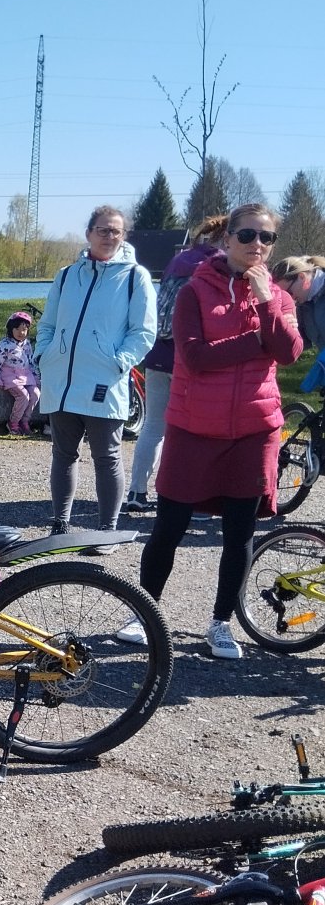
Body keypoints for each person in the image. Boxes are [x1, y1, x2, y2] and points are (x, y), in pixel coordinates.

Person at [121, 204, 302, 661]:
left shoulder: (279, 298)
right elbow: (196, 357)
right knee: (169, 527)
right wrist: (256, 342)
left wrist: (265, 303)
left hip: (254, 430)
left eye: (266, 238)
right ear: (226, 240)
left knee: (239, 534)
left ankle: (221, 624)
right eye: (247, 235)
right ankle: (145, 613)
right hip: (194, 426)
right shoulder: (194, 291)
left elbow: (288, 352)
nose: (257, 244)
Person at [33, 206, 155, 537]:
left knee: (107, 457)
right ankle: (60, 524)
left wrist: (118, 361)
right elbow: (48, 324)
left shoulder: (135, 277)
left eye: (116, 231)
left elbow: (143, 332)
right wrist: (45, 355)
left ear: (123, 236)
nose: (109, 236)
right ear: (89, 233)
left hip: (104, 381)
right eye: (103, 230)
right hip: (62, 382)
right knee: (63, 454)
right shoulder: (66, 276)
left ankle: (107, 530)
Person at [124, 216, 225, 513]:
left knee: (153, 426)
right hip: (191, 358)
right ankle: (191, 496)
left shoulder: (178, 261)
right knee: (197, 431)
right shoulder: (219, 266)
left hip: (159, 353)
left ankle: (137, 491)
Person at [0, 311, 39, 435]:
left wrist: (36, 377)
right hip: (10, 377)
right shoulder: (3, 345)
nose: (21, 333)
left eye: (24, 330)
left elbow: (31, 362)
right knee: (23, 396)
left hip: (26, 376)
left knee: (35, 394)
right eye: (17, 329)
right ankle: (13, 422)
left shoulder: (26, 345)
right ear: (11, 329)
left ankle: (25, 421)